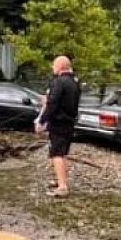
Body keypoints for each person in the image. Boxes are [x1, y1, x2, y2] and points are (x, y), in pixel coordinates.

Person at [35, 55, 81, 197]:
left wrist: (42, 121)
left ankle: (62, 187)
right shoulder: (75, 83)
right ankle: (61, 181)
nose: (52, 67)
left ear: (61, 66)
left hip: (59, 123)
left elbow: (53, 104)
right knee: (62, 154)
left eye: (54, 65)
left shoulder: (59, 82)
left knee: (56, 154)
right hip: (69, 123)